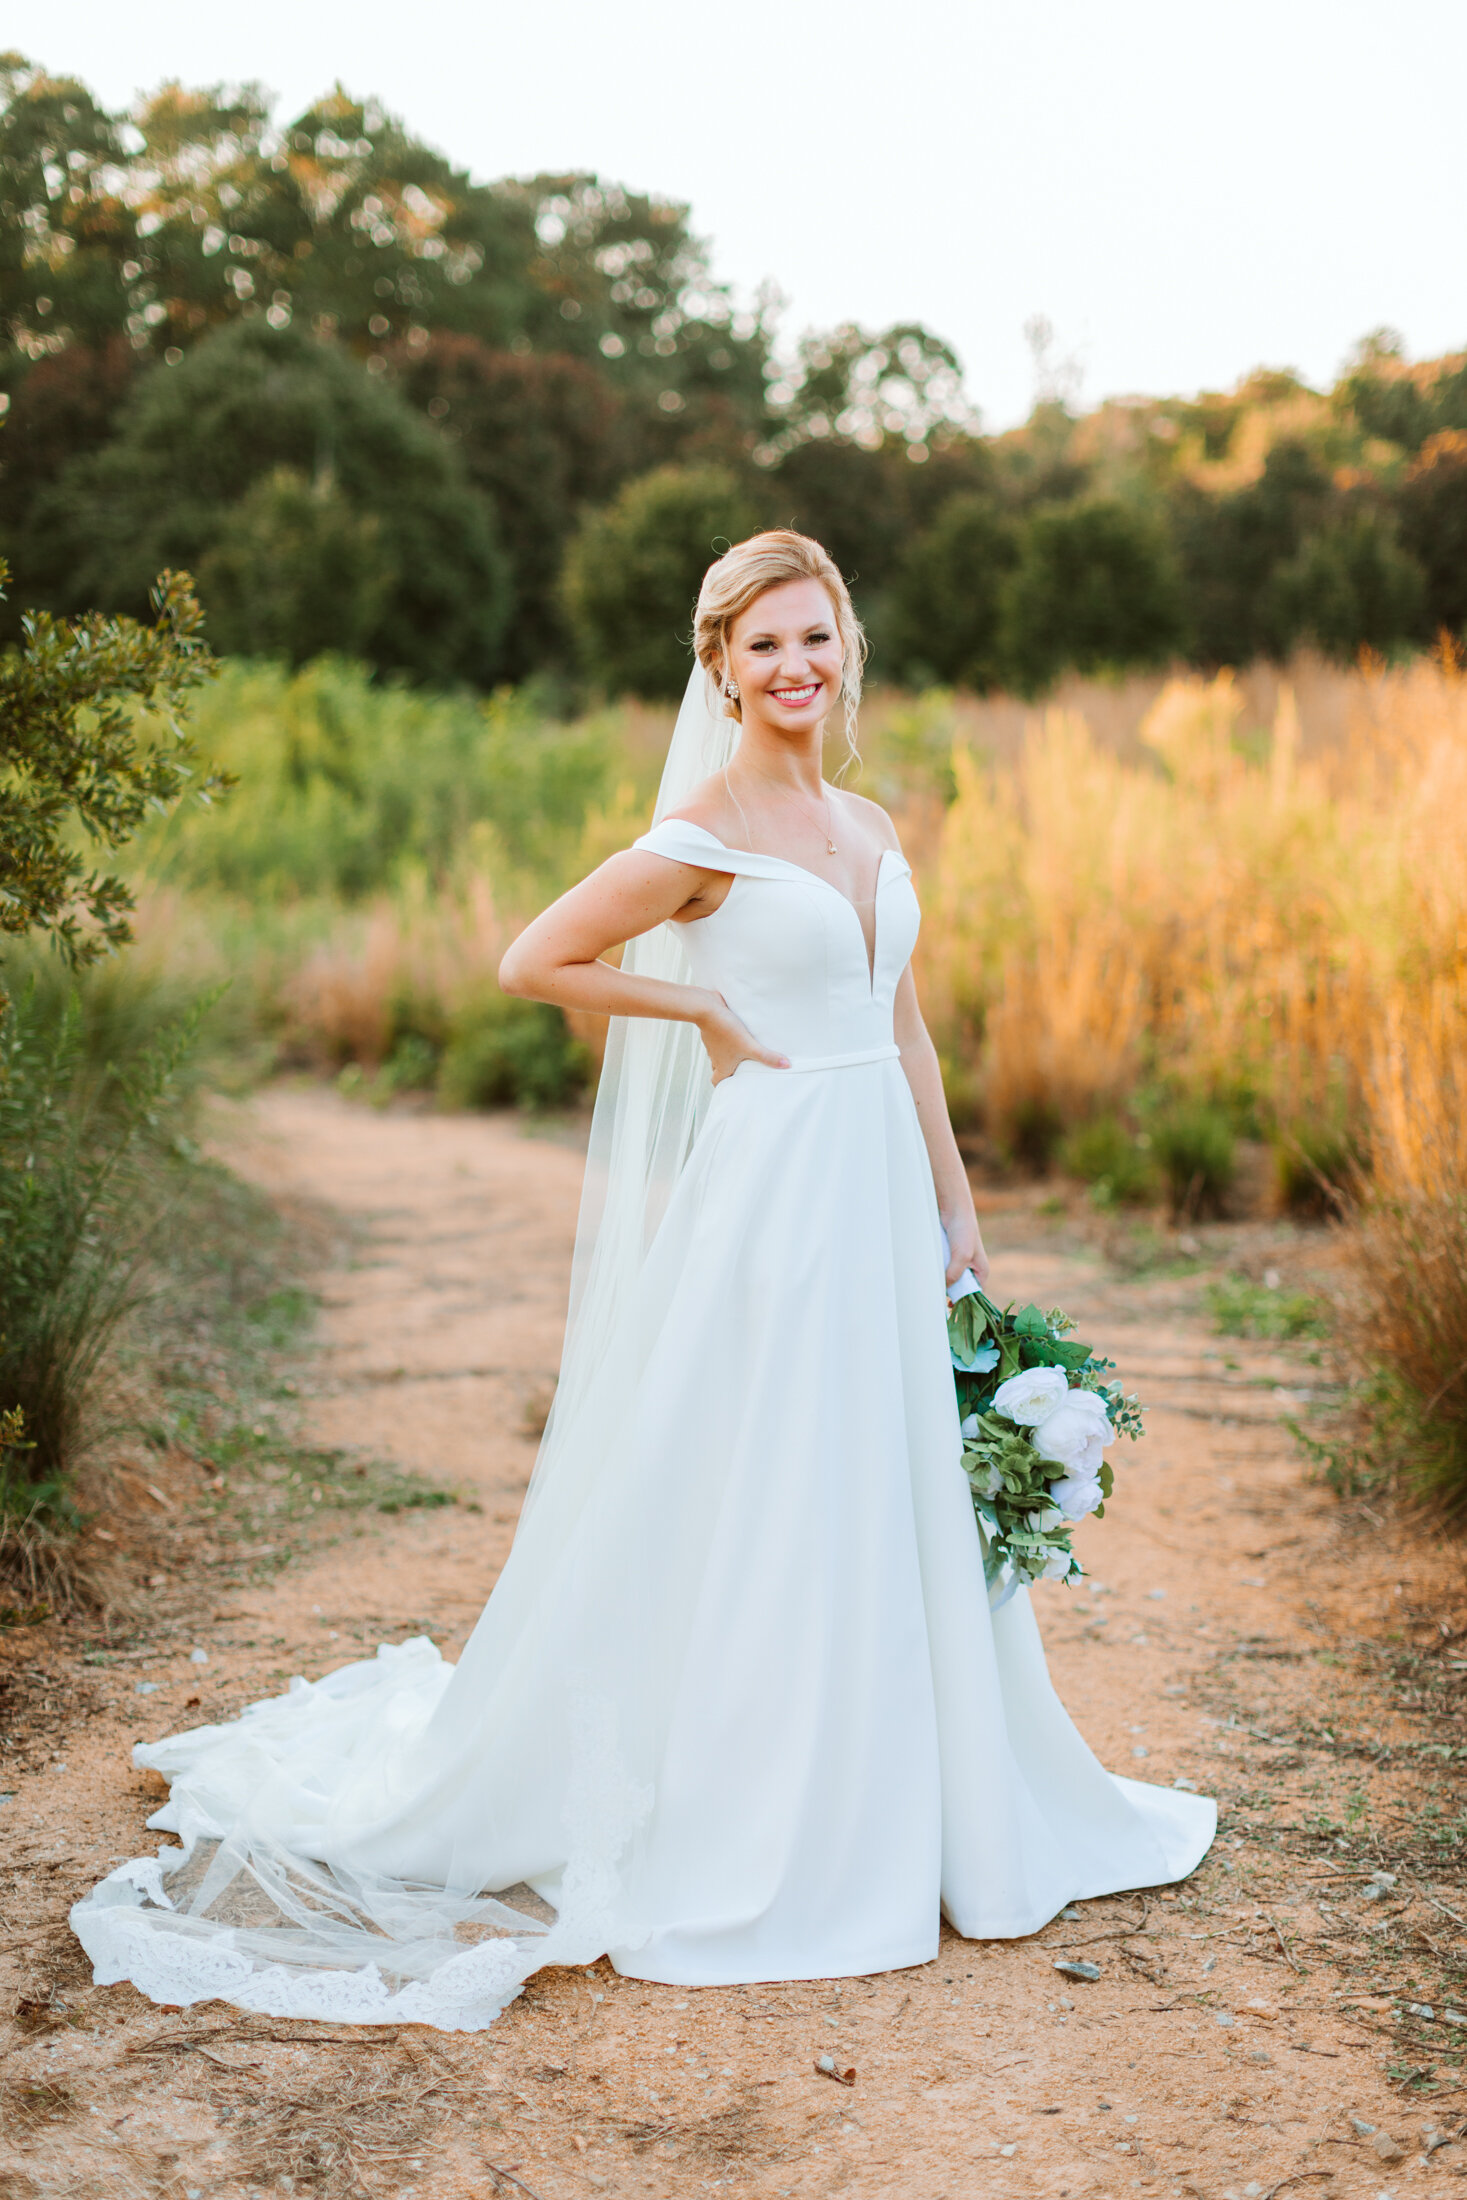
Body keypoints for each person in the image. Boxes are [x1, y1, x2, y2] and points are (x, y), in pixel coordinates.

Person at [72, 531, 1213, 2031]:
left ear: (843, 646)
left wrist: (957, 1197)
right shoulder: (703, 829)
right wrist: (702, 1014)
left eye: (815, 638)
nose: (794, 667)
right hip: (778, 1192)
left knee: (883, 1475)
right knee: (773, 1484)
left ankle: (933, 1795)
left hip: (876, 1174)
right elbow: (533, 960)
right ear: (721, 669)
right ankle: (775, 1816)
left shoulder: (866, 822)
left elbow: (908, 1025)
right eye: (763, 648)